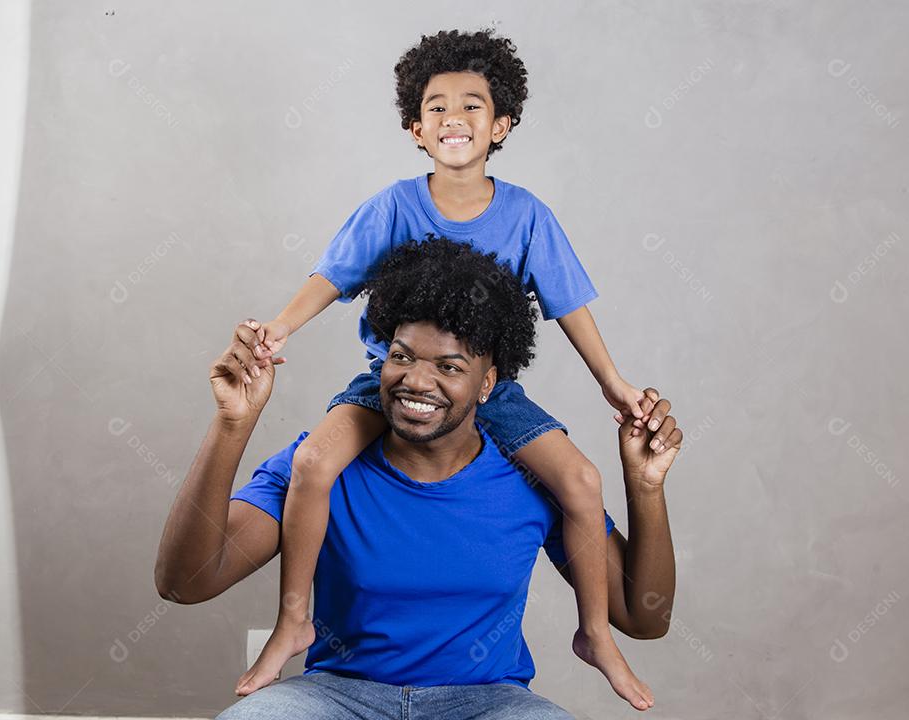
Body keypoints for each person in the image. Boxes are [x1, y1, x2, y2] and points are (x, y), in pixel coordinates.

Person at [238, 29, 662, 710]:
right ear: (414, 127)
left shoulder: (526, 215)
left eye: (471, 106)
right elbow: (332, 274)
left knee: (581, 481)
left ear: (501, 125)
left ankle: (596, 638)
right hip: (391, 380)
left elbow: (571, 305)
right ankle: (295, 620)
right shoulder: (394, 206)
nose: (452, 119)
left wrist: (613, 383)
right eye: (435, 107)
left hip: (485, 394)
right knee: (314, 462)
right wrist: (279, 327)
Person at [155, 239, 682, 719]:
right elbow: (184, 582)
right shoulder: (320, 466)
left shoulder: (533, 479)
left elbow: (644, 618)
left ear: (487, 384)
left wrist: (646, 488)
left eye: (450, 367)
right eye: (401, 357)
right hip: (337, 695)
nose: (417, 381)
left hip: (488, 703)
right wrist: (233, 424)